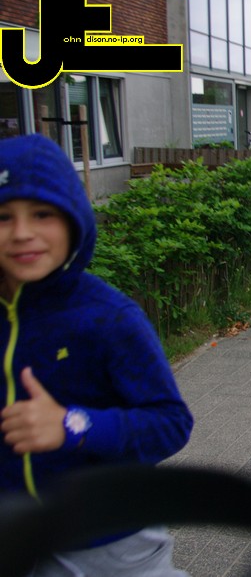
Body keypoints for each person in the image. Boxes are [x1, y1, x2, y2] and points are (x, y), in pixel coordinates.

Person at [0, 133, 194, 575]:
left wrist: (73, 425)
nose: (22, 232)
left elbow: (171, 424)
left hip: (112, 539)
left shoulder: (108, 317)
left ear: (73, 218)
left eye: (43, 213)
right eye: (3, 216)